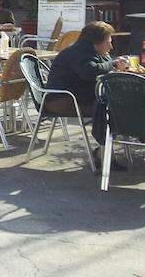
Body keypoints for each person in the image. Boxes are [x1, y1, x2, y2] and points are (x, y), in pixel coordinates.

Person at [45, 21, 131, 170]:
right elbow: (89, 71)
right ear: (96, 42)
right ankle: (104, 155)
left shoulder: (91, 51)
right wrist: (113, 64)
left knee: (117, 105)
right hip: (62, 100)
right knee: (110, 110)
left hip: (78, 97)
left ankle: (103, 151)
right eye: (108, 42)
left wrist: (115, 62)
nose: (110, 46)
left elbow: (105, 65)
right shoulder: (79, 52)